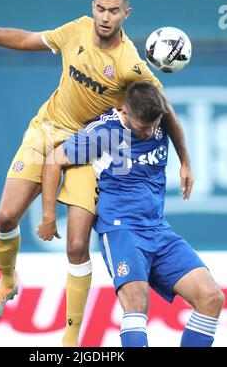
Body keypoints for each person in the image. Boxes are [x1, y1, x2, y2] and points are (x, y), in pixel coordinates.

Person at [0, 0, 194, 347]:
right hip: (45, 131)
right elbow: (27, 40)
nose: (105, 17)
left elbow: (164, 110)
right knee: (5, 218)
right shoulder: (76, 29)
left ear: (127, 14)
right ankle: (7, 283)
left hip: (87, 148)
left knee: (76, 246)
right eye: (101, 8)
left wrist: (185, 160)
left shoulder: (132, 65)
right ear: (93, 6)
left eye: (114, 11)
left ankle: (70, 340)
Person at [38, 81, 224, 347]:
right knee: (137, 303)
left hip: (158, 230)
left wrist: (185, 162)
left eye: (154, 125)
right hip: (121, 230)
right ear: (124, 112)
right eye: (142, 127)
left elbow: (169, 122)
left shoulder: (158, 121)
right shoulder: (104, 133)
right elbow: (53, 160)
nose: (149, 132)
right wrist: (48, 216)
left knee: (211, 297)